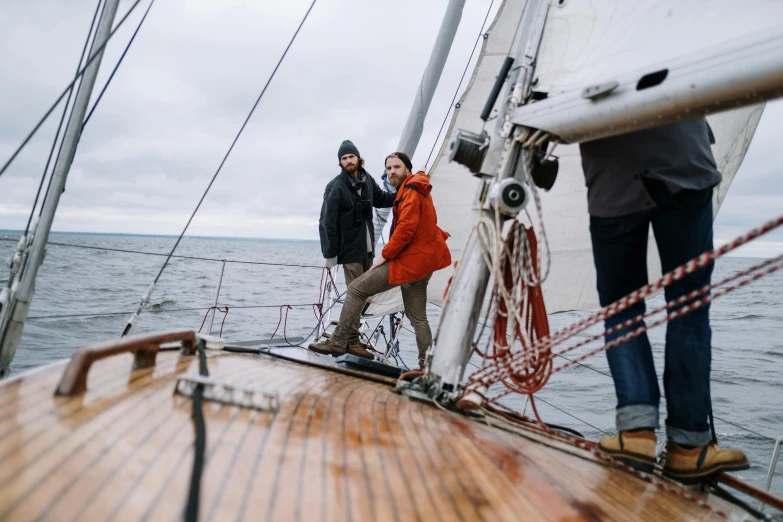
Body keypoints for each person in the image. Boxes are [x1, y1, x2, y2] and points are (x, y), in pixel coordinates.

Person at [580, 117, 749, 483]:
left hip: (611, 175)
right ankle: (689, 447)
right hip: (683, 159)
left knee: (622, 309)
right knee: (688, 310)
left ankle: (636, 434)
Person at [310, 152, 451, 368]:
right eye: (388, 168)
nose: (392, 171)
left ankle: (338, 342)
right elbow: (329, 220)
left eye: (396, 167)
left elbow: (405, 230)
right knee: (418, 318)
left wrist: (383, 256)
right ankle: (427, 367)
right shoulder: (411, 188)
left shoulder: (411, 191)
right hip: (424, 263)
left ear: (407, 168)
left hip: (410, 261)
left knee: (356, 289)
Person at [318, 140, 396, 358]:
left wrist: (404, 192)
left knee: (362, 296)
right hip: (350, 250)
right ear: (340, 163)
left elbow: (381, 199)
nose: (348, 161)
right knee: (357, 294)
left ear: (358, 158)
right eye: (344, 158)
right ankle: (349, 341)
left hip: (368, 248)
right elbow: (326, 222)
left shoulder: (366, 179)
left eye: (351, 157)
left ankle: (352, 341)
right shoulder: (336, 186)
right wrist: (330, 255)